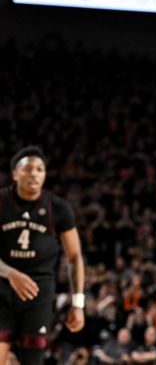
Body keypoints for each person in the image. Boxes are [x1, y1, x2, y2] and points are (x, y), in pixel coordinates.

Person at [0, 146, 85, 365]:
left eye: (40, 169)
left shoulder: (58, 208)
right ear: (15, 174)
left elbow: (75, 257)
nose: (35, 174)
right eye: (28, 169)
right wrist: (10, 273)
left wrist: (78, 304)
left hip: (38, 295)